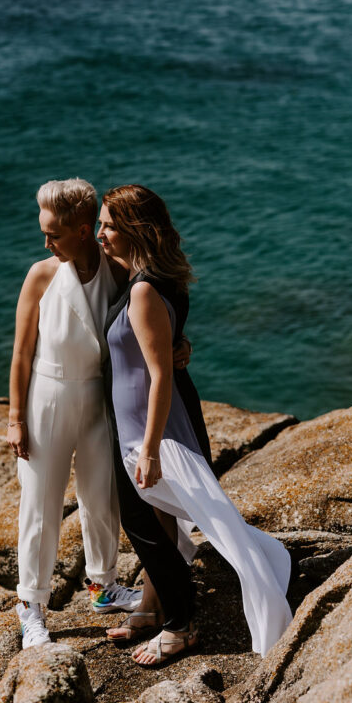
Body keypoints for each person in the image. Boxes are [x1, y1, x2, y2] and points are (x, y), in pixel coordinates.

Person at [97, 184, 293, 665]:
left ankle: (179, 627)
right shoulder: (157, 279)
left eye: (108, 225)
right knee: (162, 515)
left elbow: (161, 370)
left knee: (143, 521)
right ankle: (152, 604)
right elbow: (171, 346)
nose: (100, 234)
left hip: (151, 426)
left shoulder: (143, 290)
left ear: (133, 231)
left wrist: (149, 450)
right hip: (147, 422)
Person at [7, 178, 143, 648]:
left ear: (84, 230)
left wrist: (177, 346)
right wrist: (15, 419)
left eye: (55, 234)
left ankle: (104, 587)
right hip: (47, 395)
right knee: (40, 505)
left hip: (96, 397)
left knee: (101, 496)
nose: (46, 243)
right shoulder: (41, 275)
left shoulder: (118, 271)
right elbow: (21, 353)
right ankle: (30, 606)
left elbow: (144, 320)